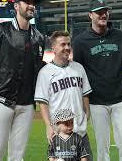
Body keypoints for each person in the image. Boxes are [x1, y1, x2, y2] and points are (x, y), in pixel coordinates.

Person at [0, 0, 45, 161]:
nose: (31, 6)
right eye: (27, 2)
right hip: (1, 99)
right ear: (16, 6)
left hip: (27, 104)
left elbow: (38, 69)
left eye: (33, 3)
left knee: (18, 154)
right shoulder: (0, 30)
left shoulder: (39, 37)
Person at [72, 0, 122, 161]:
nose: (103, 14)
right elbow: (78, 73)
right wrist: (82, 102)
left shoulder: (119, 35)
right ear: (90, 15)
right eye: (99, 12)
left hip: (121, 100)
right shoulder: (80, 41)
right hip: (97, 102)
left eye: (105, 11)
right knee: (102, 146)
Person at [34, 31, 92, 160]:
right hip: (60, 134)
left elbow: (85, 93)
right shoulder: (45, 73)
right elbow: (43, 103)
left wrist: (87, 112)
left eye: (69, 44)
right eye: (63, 44)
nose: (67, 47)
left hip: (81, 132)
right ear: (54, 48)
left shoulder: (79, 68)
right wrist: (48, 126)